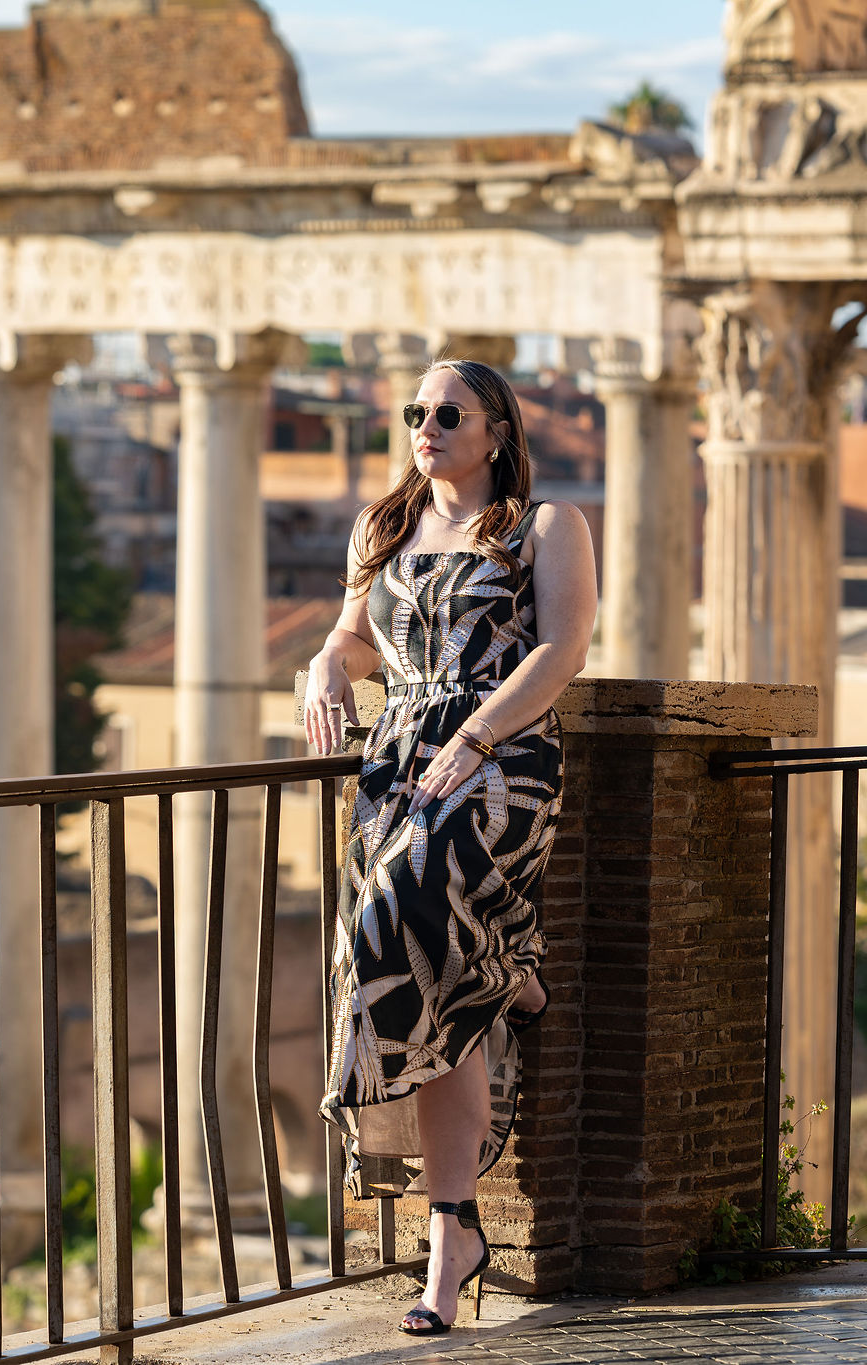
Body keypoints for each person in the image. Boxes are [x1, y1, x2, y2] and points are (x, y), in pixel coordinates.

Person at [305, 358, 596, 1335]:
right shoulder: (380, 528)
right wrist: (320, 663)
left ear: (496, 430)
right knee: (429, 986)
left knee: (390, 935)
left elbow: (561, 651)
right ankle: (451, 1236)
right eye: (414, 413)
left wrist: (475, 741)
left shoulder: (542, 529)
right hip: (398, 767)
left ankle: (505, 961)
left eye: (447, 413)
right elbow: (356, 638)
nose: (424, 426)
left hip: (499, 766)